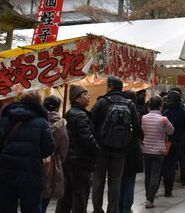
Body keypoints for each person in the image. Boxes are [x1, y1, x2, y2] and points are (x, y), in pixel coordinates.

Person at [0, 91, 55, 213]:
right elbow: (48, 149)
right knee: (31, 208)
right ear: (39, 103)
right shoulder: (42, 122)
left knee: (6, 208)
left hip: (5, 171)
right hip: (31, 173)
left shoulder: (6, 118)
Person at [90, 76, 143, 213]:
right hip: (120, 150)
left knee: (98, 181)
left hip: (101, 149)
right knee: (115, 182)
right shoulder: (129, 104)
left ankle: (97, 209)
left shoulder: (101, 102)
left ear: (110, 87)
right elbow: (137, 129)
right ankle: (112, 209)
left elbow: (90, 124)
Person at [56, 85, 98, 213]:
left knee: (67, 193)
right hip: (80, 160)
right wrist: (97, 150)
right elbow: (86, 138)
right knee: (80, 194)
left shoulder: (70, 113)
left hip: (69, 159)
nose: (88, 96)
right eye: (85, 95)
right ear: (77, 99)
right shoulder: (81, 115)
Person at [141, 96, 173, 209]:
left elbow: (143, 130)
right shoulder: (163, 119)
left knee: (148, 175)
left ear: (149, 106)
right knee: (155, 175)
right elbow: (171, 131)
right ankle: (150, 199)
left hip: (146, 150)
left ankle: (147, 197)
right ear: (161, 106)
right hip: (159, 151)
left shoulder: (144, 118)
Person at [117, 90, 143, 213]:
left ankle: (118, 205)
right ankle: (126, 208)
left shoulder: (115, 110)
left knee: (118, 179)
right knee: (130, 180)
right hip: (131, 149)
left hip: (116, 149)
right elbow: (139, 133)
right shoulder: (134, 113)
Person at [42, 96, 69, 213]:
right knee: (46, 194)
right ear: (58, 108)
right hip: (52, 163)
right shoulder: (61, 125)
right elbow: (64, 148)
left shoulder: (36, 119)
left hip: (34, 161)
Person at [161, 89, 185, 197]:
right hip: (178, 142)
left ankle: (163, 185)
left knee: (164, 165)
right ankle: (169, 190)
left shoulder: (166, 112)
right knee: (174, 165)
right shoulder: (182, 111)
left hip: (166, 142)